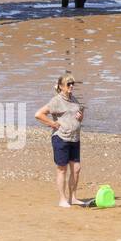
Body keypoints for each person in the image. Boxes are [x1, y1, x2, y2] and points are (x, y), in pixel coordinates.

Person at [34, 73, 85, 208]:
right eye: (69, 84)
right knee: (62, 169)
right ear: (62, 87)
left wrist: (80, 117)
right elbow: (38, 114)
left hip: (75, 138)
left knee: (76, 169)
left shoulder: (74, 99)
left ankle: (73, 198)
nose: (72, 86)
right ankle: (62, 199)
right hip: (61, 138)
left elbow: (75, 117)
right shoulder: (56, 100)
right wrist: (52, 124)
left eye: (73, 83)